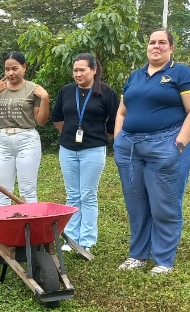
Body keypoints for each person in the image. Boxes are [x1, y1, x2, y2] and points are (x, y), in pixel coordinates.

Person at [113, 29, 190, 275]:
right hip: (130, 146)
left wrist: (179, 145)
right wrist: (119, 139)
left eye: (162, 42)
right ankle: (138, 255)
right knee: (136, 204)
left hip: (166, 143)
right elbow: (122, 111)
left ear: (171, 48)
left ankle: (163, 259)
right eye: (152, 42)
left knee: (164, 203)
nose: (156, 46)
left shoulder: (182, 73)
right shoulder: (135, 76)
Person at [51, 53, 119, 253]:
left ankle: (87, 240)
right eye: (75, 70)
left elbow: (115, 121)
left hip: (94, 150)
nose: (78, 74)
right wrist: (70, 134)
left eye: (82, 70)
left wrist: (99, 137)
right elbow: (57, 118)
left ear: (94, 70)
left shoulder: (105, 92)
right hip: (68, 149)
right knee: (72, 195)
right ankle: (71, 238)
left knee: (88, 194)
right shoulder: (66, 91)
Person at [0, 51, 50, 205]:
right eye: (7, 69)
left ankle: (30, 227)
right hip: (3, 140)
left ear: (24, 67)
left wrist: (45, 98)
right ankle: (4, 228)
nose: (10, 73)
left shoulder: (34, 89)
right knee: (3, 190)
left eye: (14, 68)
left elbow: (41, 121)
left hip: (27, 140)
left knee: (28, 190)